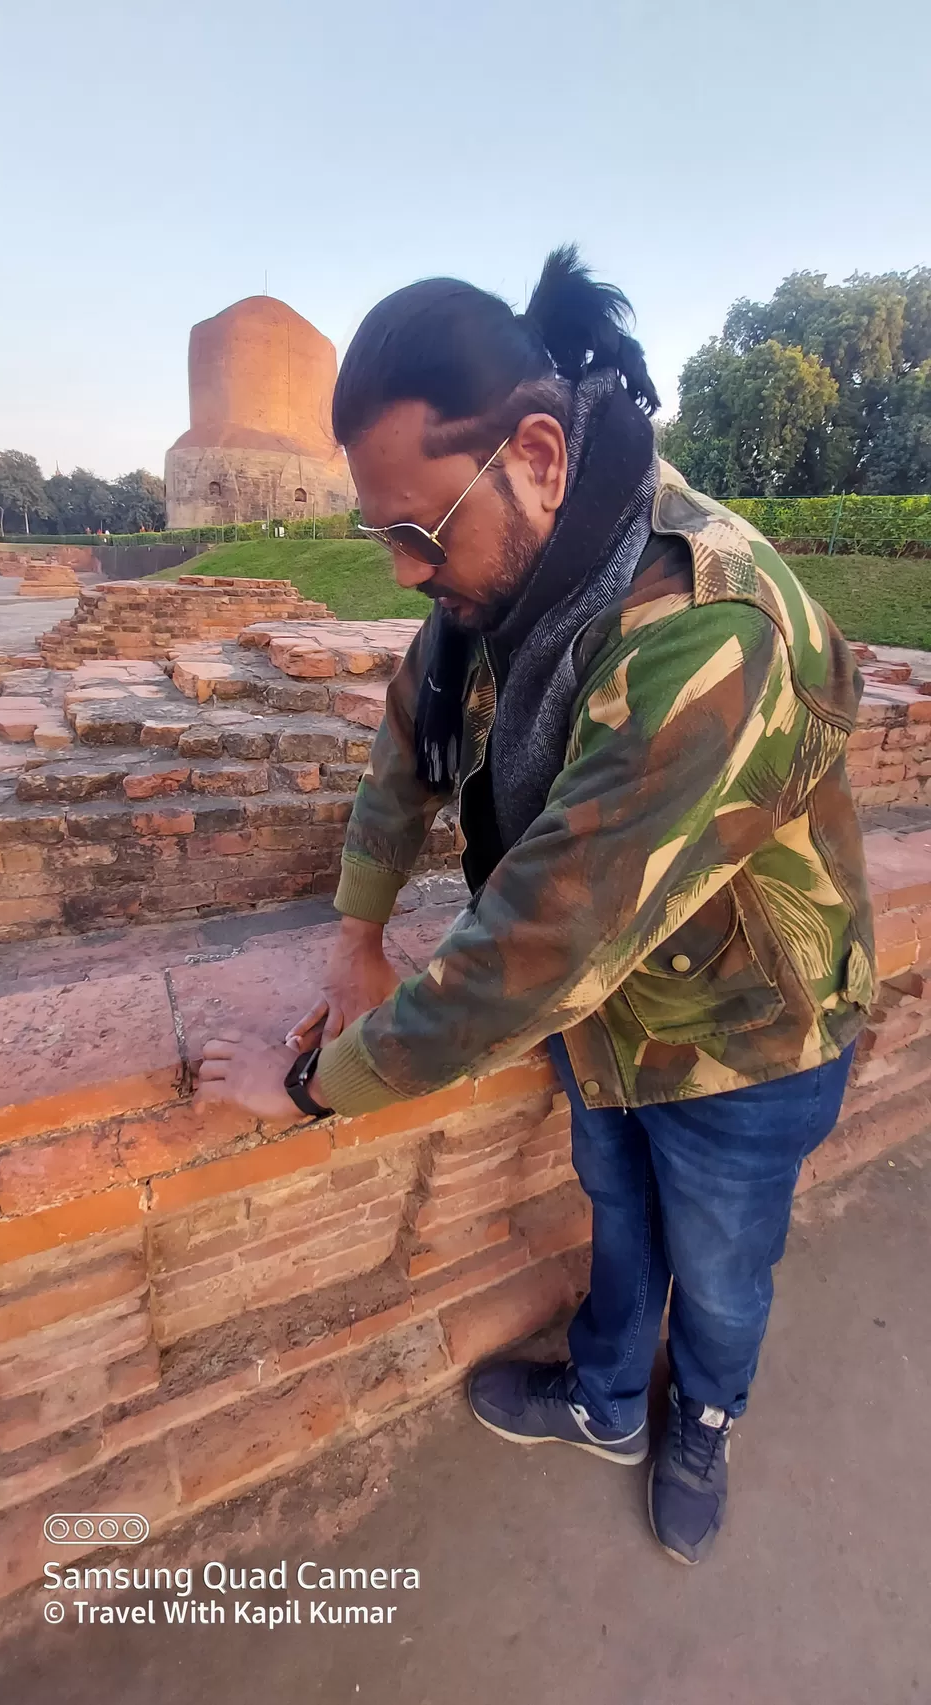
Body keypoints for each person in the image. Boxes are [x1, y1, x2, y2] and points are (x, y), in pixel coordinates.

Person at [195, 247, 875, 1565]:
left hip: (745, 1034)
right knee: (620, 1222)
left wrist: (308, 1090)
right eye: (378, 532)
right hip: (618, 1020)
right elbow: (413, 734)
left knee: (723, 1262)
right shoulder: (505, 576)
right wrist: (356, 930)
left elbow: (534, 952)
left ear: (541, 455)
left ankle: (709, 1415)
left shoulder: (702, 632)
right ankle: (613, 1399)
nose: (400, 571)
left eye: (418, 534)